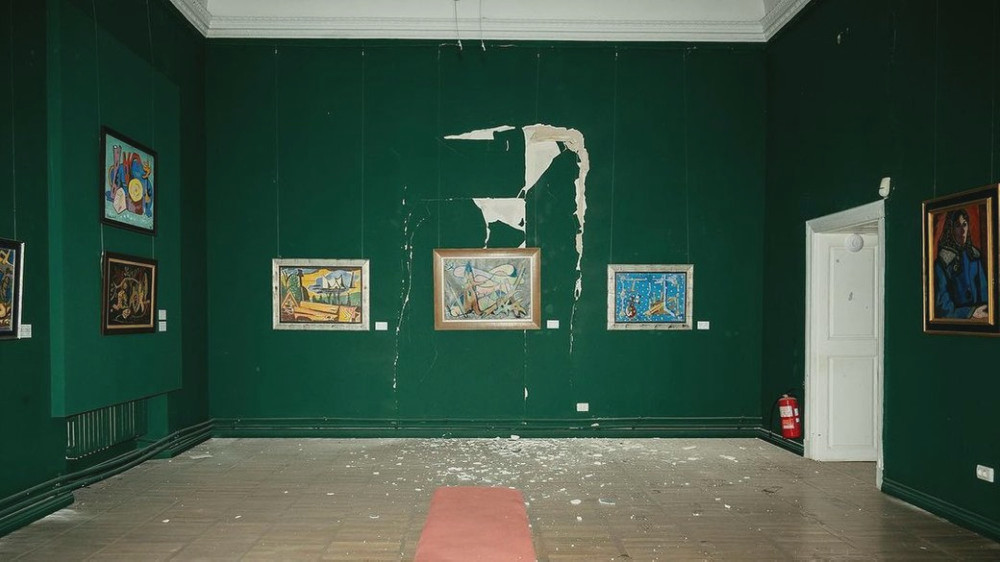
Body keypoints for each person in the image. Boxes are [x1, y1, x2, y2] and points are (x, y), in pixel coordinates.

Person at [934, 208, 989, 319]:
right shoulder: (943, 262)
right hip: (956, 321)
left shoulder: (975, 256)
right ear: (951, 229)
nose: (962, 230)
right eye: (957, 225)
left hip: (980, 319)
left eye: (964, 224)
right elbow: (943, 308)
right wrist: (970, 312)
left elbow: (985, 295)